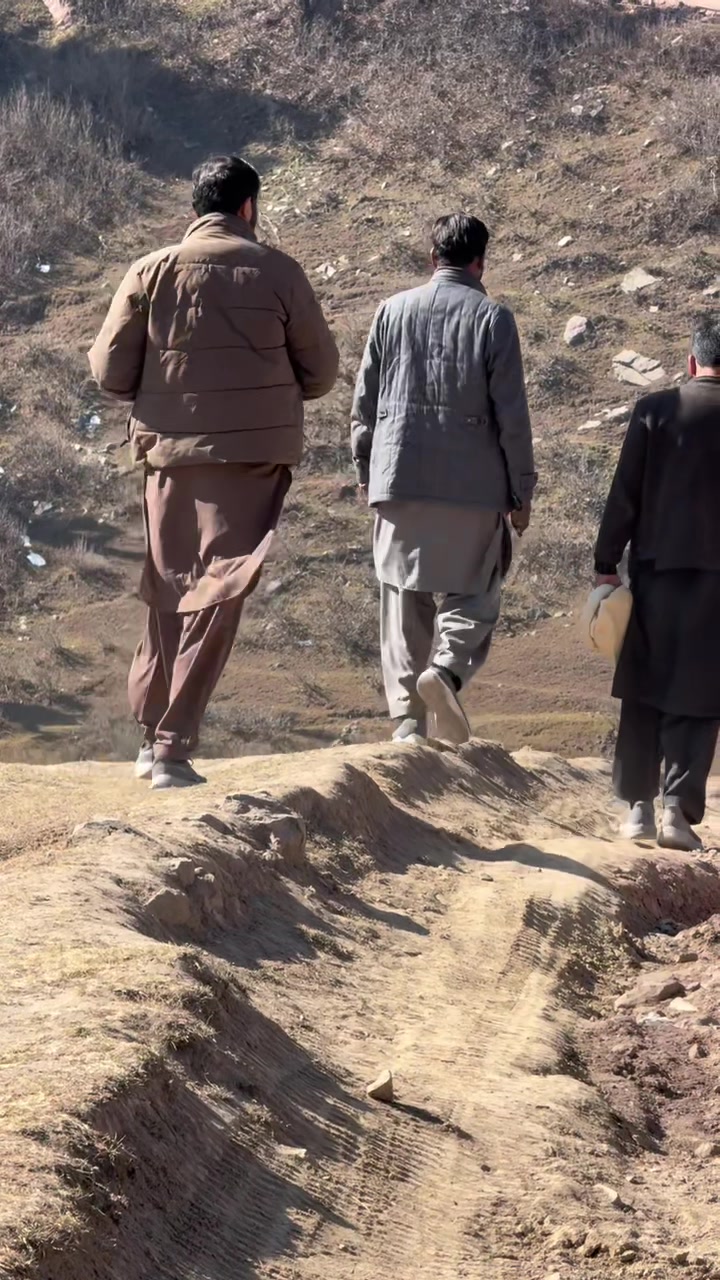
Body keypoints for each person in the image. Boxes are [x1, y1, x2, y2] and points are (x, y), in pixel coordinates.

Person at [89, 155, 338, 788]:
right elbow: (321, 374)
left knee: (169, 587)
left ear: (197, 207)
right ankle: (172, 748)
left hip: (169, 457)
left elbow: (110, 373)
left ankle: (150, 735)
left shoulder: (150, 270)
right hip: (250, 459)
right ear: (249, 207)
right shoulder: (280, 273)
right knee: (220, 590)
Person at [351, 214, 536, 744]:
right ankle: (447, 671)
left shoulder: (391, 311)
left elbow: (364, 402)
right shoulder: (493, 319)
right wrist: (521, 490)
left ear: (433, 257)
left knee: (402, 595)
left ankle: (407, 721)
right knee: (475, 588)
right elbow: (512, 416)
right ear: (481, 262)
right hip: (474, 487)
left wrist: (365, 469)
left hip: (397, 476)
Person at [595, 314, 720, 851]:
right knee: (701, 693)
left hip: (655, 574)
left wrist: (606, 561)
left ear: (692, 362)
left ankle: (638, 812)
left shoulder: (654, 410)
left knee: (645, 688)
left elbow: (625, 493)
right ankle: (677, 814)